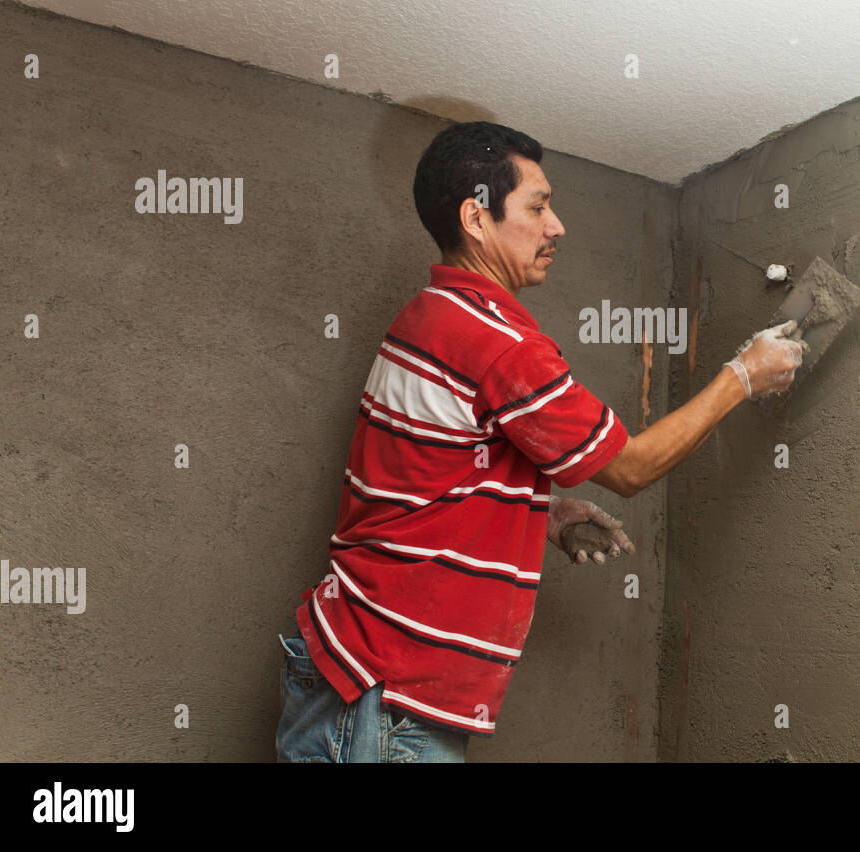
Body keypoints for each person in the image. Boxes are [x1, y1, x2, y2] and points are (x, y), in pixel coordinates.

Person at [275, 121, 805, 762]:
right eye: (538, 206)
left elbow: (423, 472)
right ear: (477, 217)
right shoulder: (499, 342)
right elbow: (630, 468)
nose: (556, 227)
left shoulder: (427, 317)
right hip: (384, 692)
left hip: (350, 672)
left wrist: (539, 510)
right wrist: (742, 376)